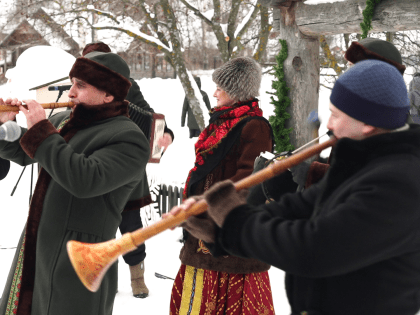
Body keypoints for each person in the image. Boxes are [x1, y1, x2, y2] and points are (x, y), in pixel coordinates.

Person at [174, 59, 420, 315]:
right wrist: (219, 228)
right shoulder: (361, 161)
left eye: (336, 114)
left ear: (368, 123)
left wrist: (236, 222)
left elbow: (314, 249)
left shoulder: (400, 182)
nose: (329, 125)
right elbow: (297, 207)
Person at [0, 51, 150, 315]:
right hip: (40, 245)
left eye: (81, 85)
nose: (70, 93)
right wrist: (7, 127)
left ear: (108, 94)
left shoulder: (130, 138)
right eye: (72, 83)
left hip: (80, 261)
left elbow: (84, 179)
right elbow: (27, 154)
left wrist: (40, 129)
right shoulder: (66, 121)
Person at [167, 57, 276, 315]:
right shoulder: (221, 123)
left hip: (227, 239)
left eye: (221, 88)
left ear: (236, 92)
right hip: (202, 232)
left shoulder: (255, 127)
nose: (214, 93)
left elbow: (247, 183)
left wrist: (214, 219)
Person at [81, 41, 175, 298]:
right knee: (90, 225)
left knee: (130, 223)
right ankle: (91, 275)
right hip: (87, 165)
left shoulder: (127, 87)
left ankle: (137, 276)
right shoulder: (75, 89)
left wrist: (165, 133)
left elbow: (149, 116)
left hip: (124, 166)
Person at [291, 37, 410, 190]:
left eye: (353, 66)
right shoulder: (358, 112)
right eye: (348, 66)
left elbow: (370, 184)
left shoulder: (393, 126)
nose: (347, 73)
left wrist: (313, 173)